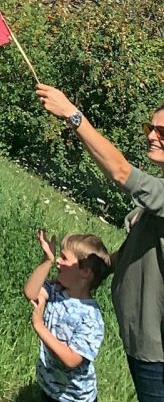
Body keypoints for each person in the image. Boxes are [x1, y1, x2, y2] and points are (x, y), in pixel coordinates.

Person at [36, 83, 164, 402]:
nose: (151, 135)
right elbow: (124, 258)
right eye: (150, 127)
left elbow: (121, 173)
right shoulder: (158, 195)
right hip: (140, 340)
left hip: (157, 349)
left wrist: (71, 114)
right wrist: (77, 267)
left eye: (162, 131)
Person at [23, 227, 111, 401]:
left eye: (64, 258)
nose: (58, 261)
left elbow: (71, 360)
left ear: (85, 273)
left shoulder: (91, 317)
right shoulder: (56, 290)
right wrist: (46, 260)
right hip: (50, 386)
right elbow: (31, 293)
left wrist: (39, 326)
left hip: (75, 397)